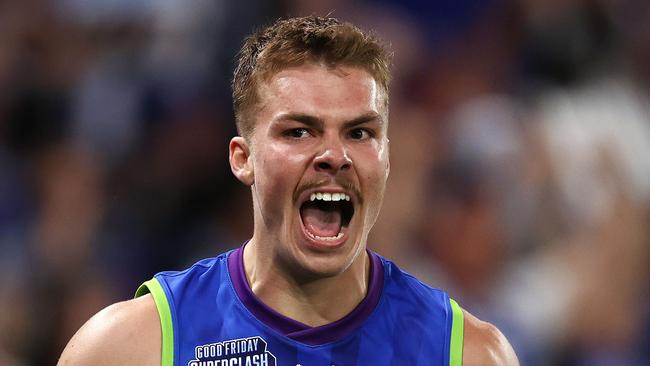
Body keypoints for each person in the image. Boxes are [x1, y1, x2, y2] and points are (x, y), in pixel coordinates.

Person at [58, 16, 518, 366]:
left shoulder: (469, 354)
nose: (334, 155)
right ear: (243, 158)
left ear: (386, 156)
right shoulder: (131, 348)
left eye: (359, 133)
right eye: (299, 132)